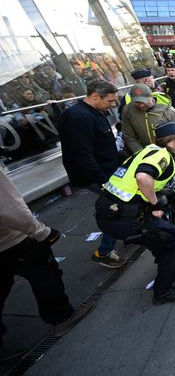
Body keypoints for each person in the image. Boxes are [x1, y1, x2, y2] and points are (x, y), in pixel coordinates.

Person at [1, 169, 96, 355]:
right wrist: (42, 232)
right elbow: (9, 209)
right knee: (45, 275)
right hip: (13, 239)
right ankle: (62, 318)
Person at [96, 122, 175, 305]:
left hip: (106, 211)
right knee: (173, 239)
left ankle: (161, 259)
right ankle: (163, 292)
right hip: (126, 217)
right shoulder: (163, 155)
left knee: (159, 240)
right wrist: (157, 205)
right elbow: (143, 177)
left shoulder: (148, 149)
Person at [57, 80, 125, 269]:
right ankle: (104, 252)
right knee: (116, 208)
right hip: (98, 175)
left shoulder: (94, 113)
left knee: (118, 207)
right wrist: (103, 181)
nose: (113, 105)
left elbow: (102, 145)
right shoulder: (79, 118)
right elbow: (82, 154)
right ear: (95, 96)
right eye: (110, 101)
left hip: (108, 170)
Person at [121, 84, 175, 170]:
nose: (141, 105)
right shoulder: (128, 111)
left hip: (171, 156)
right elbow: (129, 136)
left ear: (151, 96)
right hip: (147, 157)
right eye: (137, 102)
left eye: (143, 101)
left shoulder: (168, 110)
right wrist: (142, 154)